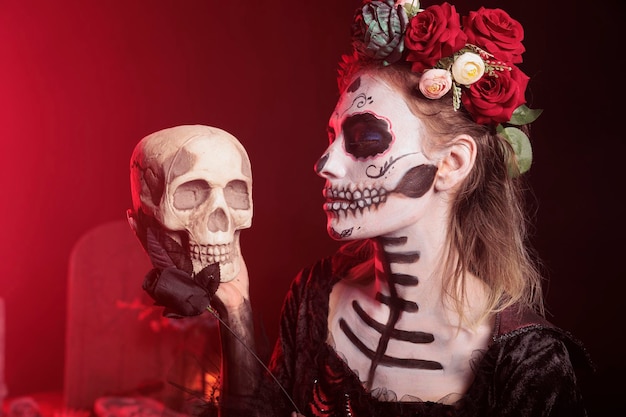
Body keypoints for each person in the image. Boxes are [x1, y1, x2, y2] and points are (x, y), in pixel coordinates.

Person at [140, 1, 592, 416]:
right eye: (332, 137)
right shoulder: (314, 296)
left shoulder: (529, 361)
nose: (324, 164)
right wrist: (235, 308)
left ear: (452, 163)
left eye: (366, 140)